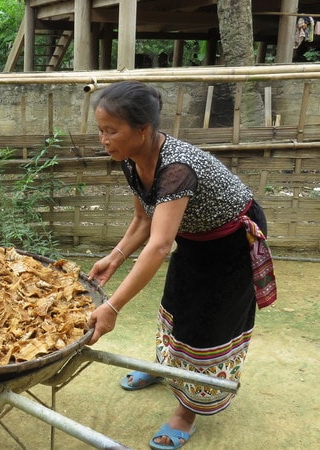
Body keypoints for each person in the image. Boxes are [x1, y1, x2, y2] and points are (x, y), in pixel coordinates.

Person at [86, 81, 276, 450]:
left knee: (207, 323)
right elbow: (144, 219)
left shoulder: (176, 167)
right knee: (176, 306)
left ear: (142, 130)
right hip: (193, 235)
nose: (103, 140)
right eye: (100, 130)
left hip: (231, 242)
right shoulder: (132, 160)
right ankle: (164, 370)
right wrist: (115, 257)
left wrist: (111, 307)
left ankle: (187, 410)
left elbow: (158, 246)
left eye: (111, 131)